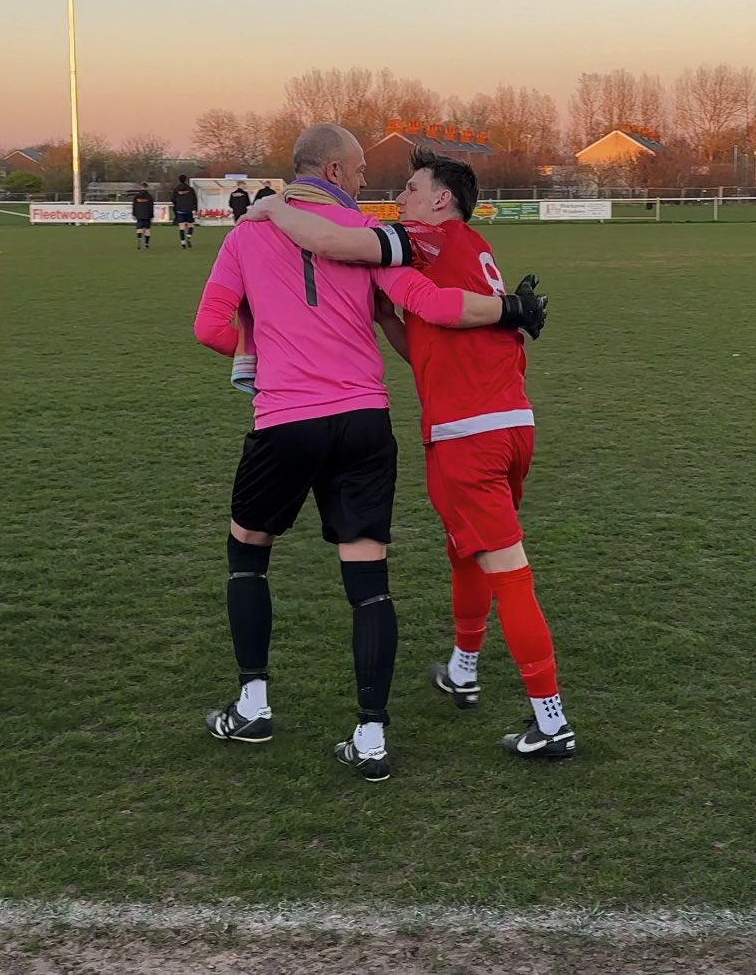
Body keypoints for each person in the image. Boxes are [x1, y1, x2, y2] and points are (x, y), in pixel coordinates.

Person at [193, 124, 546, 781]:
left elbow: (207, 327)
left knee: (248, 551)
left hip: (285, 418)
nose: (366, 182)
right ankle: (372, 734)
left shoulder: (246, 234)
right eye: (358, 170)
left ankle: (253, 704)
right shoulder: (374, 240)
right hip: (362, 421)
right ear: (332, 170)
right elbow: (419, 308)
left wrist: (260, 346)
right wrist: (505, 315)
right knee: (368, 581)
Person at [172, 174, 198, 248]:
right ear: (186, 179)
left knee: (181, 226)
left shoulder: (176, 189)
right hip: (189, 209)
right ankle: (188, 237)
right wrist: (195, 209)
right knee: (191, 225)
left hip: (180, 210)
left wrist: (177, 205)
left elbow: (173, 199)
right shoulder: (190, 189)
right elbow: (194, 199)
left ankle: (183, 243)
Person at [132, 182, 155, 250]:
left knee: (139, 228)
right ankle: (146, 243)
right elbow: (151, 207)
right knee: (147, 229)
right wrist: (151, 215)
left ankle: (139, 242)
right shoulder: (149, 196)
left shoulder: (136, 196)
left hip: (139, 214)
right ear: (147, 187)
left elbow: (134, 205)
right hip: (147, 214)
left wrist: (134, 213)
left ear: (140, 187)